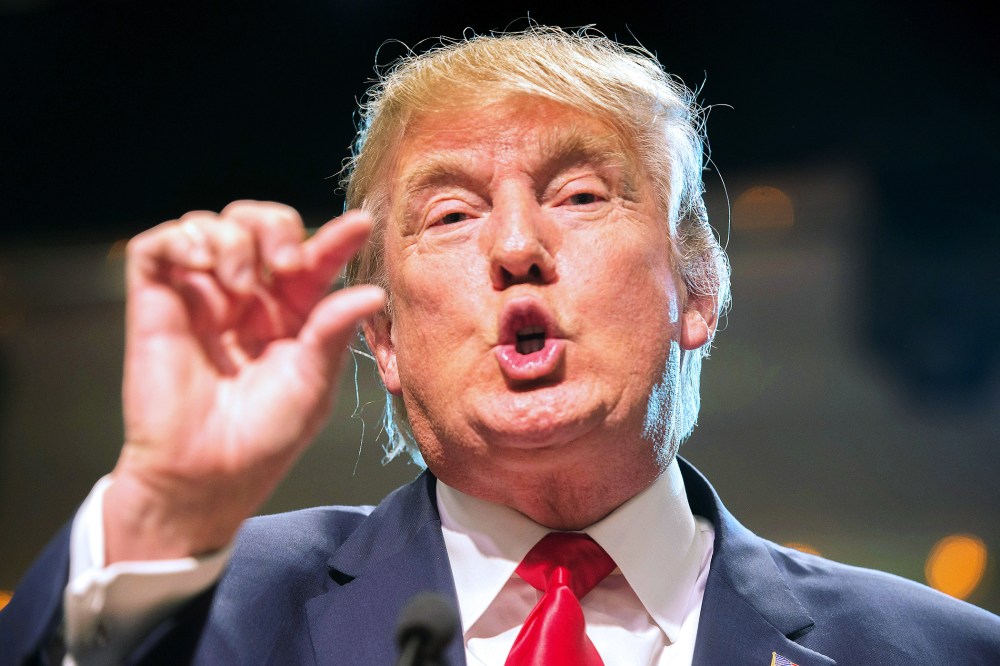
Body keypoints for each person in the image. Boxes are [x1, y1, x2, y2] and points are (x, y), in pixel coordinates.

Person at [1, 26, 998, 666]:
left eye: (578, 196)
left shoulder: (936, 653)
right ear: (381, 336)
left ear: (698, 291)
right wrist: (165, 501)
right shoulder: (207, 621)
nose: (517, 246)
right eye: (448, 215)